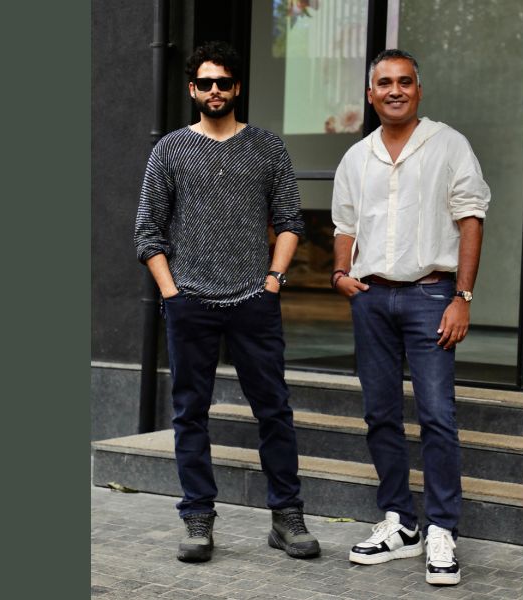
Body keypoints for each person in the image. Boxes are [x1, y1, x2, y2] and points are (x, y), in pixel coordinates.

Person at [134, 40, 320, 563]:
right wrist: (171, 293)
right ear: (192, 89)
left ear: (237, 87)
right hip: (189, 301)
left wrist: (274, 280)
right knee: (190, 413)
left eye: (223, 82)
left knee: (274, 411)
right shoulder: (170, 150)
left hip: (254, 301)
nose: (214, 90)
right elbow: (147, 231)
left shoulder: (267, 147)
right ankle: (197, 518)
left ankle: (286, 516)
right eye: (205, 82)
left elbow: (290, 221)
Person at [330, 49, 490, 586]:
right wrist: (339, 273)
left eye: (404, 82)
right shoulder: (357, 157)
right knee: (379, 414)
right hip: (371, 299)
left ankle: (442, 528)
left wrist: (462, 296)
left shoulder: (449, 145)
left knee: (438, 415)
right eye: (384, 83)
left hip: (431, 297)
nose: (394, 90)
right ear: (370, 94)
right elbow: (345, 225)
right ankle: (400, 523)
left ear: (418, 90)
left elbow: (471, 218)